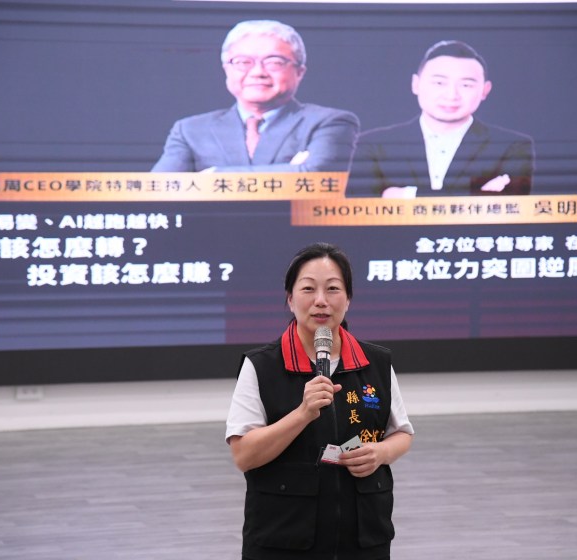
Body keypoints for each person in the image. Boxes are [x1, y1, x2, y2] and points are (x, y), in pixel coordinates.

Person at [226, 242, 414, 559]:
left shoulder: (376, 362)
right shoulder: (261, 365)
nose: (321, 301)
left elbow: (402, 433)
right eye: (308, 289)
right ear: (290, 299)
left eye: (333, 289)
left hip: (363, 539)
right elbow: (244, 455)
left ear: (348, 299)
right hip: (285, 540)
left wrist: (380, 453)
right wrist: (302, 413)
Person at [152, 20, 360, 173]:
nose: (257, 72)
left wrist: (212, 176)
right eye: (243, 62)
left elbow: (315, 177)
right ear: (226, 70)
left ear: (299, 72)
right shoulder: (190, 130)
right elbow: (158, 190)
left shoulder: (330, 122)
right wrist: (289, 171)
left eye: (274, 62)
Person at [349, 40, 534, 197]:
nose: (451, 95)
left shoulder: (513, 146)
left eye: (466, 85)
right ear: (416, 84)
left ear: (485, 90)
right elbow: (359, 208)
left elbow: (512, 207)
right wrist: (475, 194)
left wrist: (407, 195)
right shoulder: (372, 145)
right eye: (439, 82)